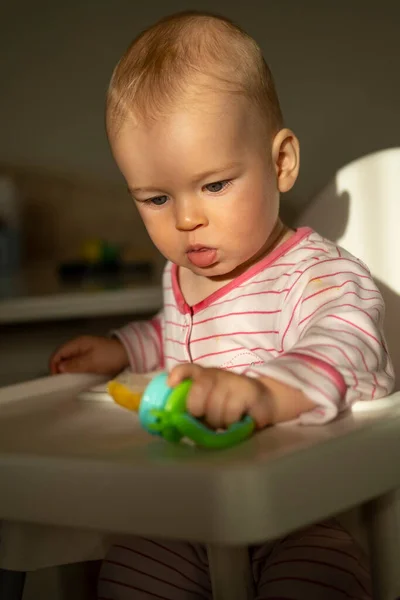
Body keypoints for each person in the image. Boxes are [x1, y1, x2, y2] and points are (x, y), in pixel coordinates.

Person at [50, 10, 394, 599]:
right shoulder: (180, 275)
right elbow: (172, 335)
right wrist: (121, 350)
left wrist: (264, 393)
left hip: (302, 511)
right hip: (188, 508)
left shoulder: (317, 277)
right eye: (157, 198)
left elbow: (349, 346)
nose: (187, 219)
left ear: (280, 162)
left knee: (317, 582)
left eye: (214, 185)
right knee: (127, 572)